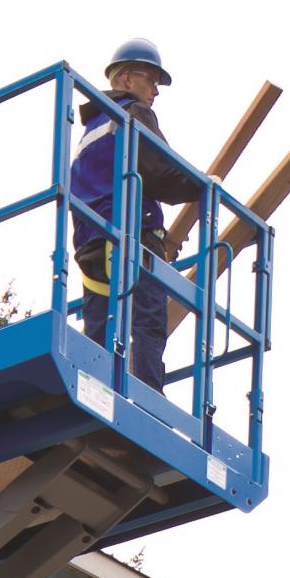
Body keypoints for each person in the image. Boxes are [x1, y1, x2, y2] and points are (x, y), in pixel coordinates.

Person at [70, 38, 202, 392]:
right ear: (127, 79)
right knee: (148, 320)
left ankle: (91, 392)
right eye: (151, 80)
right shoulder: (133, 114)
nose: (155, 91)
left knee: (99, 326)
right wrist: (202, 187)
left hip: (91, 241)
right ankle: (147, 397)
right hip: (131, 236)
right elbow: (160, 169)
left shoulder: (90, 128)